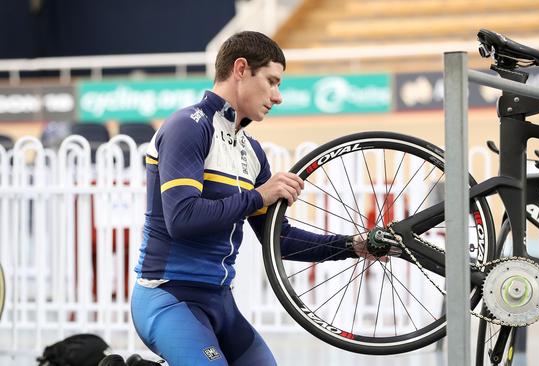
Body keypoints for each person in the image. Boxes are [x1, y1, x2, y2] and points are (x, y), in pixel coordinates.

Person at [130, 31, 375, 366]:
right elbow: (182, 219)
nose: (278, 97)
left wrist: (351, 246)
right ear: (241, 69)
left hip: (219, 301)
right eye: (272, 82)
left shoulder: (252, 151)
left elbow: (280, 240)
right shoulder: (188, 126)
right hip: (167, 296)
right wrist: (259, 195)